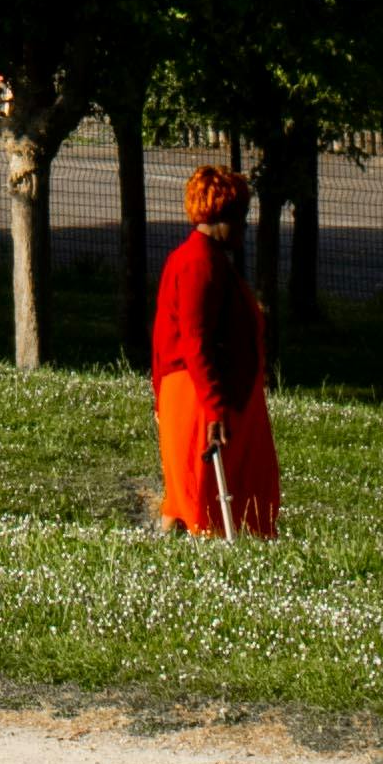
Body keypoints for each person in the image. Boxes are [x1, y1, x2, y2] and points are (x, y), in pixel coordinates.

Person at [152, 158, 282, 540]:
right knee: (204, 493)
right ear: (221, 215)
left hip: (201, 392)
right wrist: (214, 407)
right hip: (200, 395)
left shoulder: (203, 260)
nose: (244, 225)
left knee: (193, 493)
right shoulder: (198, 265)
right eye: (240, 215)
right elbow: (195, 340)